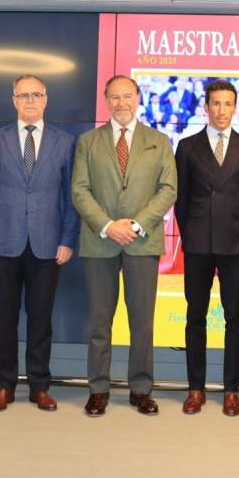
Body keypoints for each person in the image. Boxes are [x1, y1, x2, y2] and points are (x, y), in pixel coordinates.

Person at [72, 75, 177, 417]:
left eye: (127, 96)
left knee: (142, 322)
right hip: (99, 241)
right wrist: (107, 226)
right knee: (99, 322)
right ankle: (98, 388)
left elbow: (168, 189)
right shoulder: (88, 142)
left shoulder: (158, 141)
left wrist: (135, 224)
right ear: (106, 100)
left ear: (138, 99)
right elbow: (79, 190)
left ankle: (141, 389)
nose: (121, 103)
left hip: (141, 242)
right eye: (114, 97)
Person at [0, 75, 79, 412]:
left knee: (41, 319)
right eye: (23, 95)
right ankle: (4, 386)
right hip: (2, 245)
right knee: (4, 320)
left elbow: (71, 196)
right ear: (14, 100)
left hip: (47, 245)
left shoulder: (65, 142)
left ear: (46, 99)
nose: (30, 101)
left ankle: (39, 386)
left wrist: (67, 239)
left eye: (36, 95)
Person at [174, 80, 239, 416]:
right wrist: (192, 233)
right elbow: (180, 200)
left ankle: (231, 390)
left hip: (236, 244)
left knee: (235, 318)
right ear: (205, 107)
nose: (222, 110)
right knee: (195, 315)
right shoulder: (187, 146)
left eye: (228, 103)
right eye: (216, 104)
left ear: (235, 107)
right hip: (198, 244)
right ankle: (196, 388)